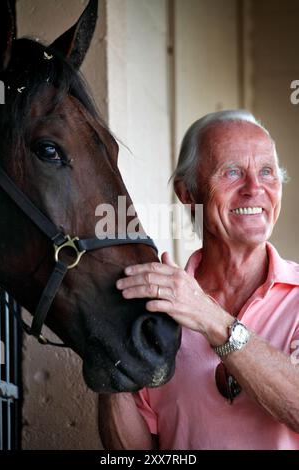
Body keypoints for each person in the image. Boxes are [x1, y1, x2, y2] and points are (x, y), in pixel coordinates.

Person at [99, 109, 299, 450]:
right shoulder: (156, 309)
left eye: (267, 172)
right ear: (188, 193)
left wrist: (209, 318)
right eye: (232, 172)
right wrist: (107, 359)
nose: (255, 189)